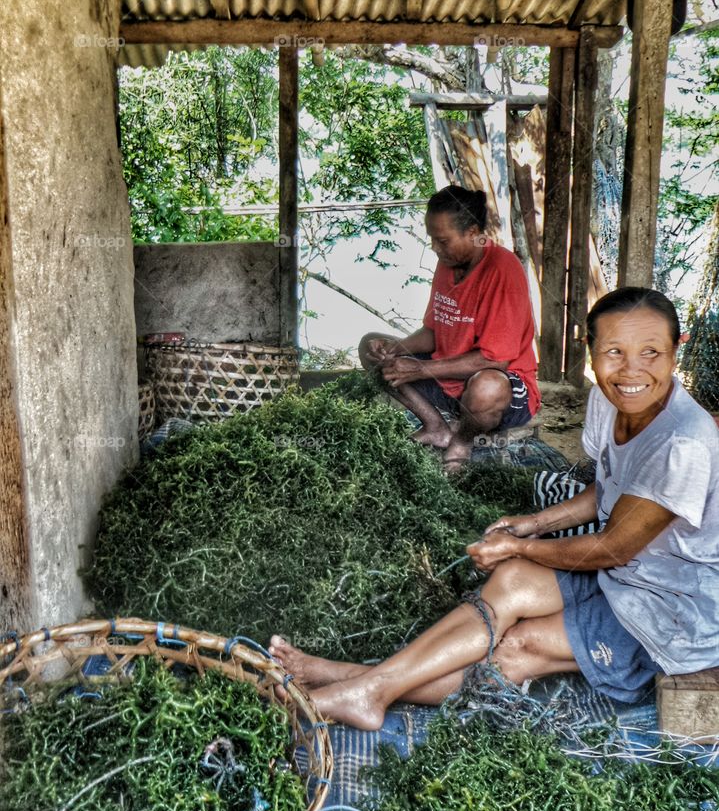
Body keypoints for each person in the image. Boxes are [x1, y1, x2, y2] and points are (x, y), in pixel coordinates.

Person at [271, 287, 719, 730]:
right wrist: (533, 524)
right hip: (622, 574)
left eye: (651, 352)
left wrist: (519, 547)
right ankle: (358, 686)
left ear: (676, 350)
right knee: (511, 582)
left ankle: (358, 688)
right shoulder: (609, 398)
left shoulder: (683, 443)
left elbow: (613, 548)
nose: (631, 370)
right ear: (591, 350)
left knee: (516, 647)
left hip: (671, 609)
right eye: (615, 352)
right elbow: (608, 490)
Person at [358, 185, 540, 470]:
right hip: (451, 383)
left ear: (473, 232)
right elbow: (434, 332)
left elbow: (495, 360)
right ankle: (436, 427)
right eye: (432, 240)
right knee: (370, 344)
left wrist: (418, 369)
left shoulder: (503, 270)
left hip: (501, 393)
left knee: (487, 387)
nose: (435, 248)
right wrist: (396, 349)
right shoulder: (448, 264)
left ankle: (462, 441)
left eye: (442, 240)